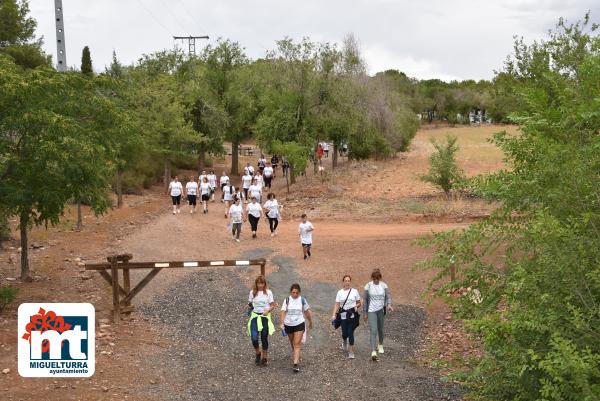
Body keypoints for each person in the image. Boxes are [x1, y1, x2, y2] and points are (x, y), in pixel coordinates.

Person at [280, 283, 313, 373]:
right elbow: (283, 311)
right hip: (288, 324)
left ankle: (295, 364)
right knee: (292, 342)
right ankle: (296, 355)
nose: (295, 294)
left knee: (297, 342)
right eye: (293, 292)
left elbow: (307, 312)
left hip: (299, 323)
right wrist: (282, 323)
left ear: (299, 292)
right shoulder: (287, 300)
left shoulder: (302, 300)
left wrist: (310, 322)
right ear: (291, 292)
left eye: (296, 293)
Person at [363, 269, 393, 361]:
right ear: (372, 278)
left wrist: (389, 305)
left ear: (380, 278)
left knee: (381, 329)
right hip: (372, 310)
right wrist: (365, 313)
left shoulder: (384, 285)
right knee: (374, 329)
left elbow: (388, 296)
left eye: (377, 278)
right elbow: (365, 300)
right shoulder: (368, 286)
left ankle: (380, 345)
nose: (376, 280)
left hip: (381, 310)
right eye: (374, 278)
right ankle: (373, 351)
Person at [247, 276, 276, 366]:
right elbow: (250, 304)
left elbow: (272, 305)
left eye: (262, 283)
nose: (260, 285)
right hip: (255, 316)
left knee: (264, 337)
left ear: (264, 284)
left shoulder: (268, 293)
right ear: (256, 284)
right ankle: (258, 352)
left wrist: (268, 310)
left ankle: (265, 358)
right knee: (254, 338)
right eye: (258, 283)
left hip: (264, 317)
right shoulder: (252, 292)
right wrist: (249, 307)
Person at [331, 275, 361, 359]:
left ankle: (351, 351)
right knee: (344, 333)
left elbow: (359, 302)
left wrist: (356, 306)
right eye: (346, 280)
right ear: (343, 282)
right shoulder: (339, 292)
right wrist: (333, 315)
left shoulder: (354, 291)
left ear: (350, 282)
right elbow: (337, 304)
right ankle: (344, 341)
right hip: (343, 315)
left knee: (350, 332)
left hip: (352, 315)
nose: (347, 282)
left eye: (348, 280)